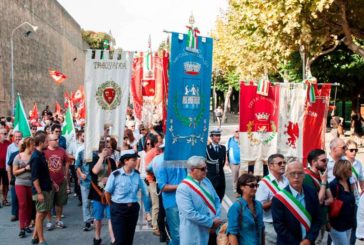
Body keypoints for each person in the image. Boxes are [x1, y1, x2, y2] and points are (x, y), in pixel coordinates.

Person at [104, 149, 151, 245]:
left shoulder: (137, 175)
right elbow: (107, 192)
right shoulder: (115, 175)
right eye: (133, 160)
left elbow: (145, 192)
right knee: (120, 240)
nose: (136, 162)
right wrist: (112, 205)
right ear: (126, 161)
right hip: (118, 209)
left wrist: (147, 211)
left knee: (129, 239)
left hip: (132, 209)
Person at [272, 160, 322, 245]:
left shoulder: (312, 192)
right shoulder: (279, 198)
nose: (296, 177)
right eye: (292, 173)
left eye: (300, 173)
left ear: (304, 176)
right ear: (286, 175)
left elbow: (317, 219)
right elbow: (279, 226)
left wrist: (309, 240)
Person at [176, 156, 222, 245]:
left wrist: (217, 218)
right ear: (193, 170)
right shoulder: (183, 188)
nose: (206, 171)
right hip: (196, 234)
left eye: (206, 168)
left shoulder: (206, 181)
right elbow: (190, 213)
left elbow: (216, 200)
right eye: (203, 169)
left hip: (213, 231)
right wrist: (211, 223)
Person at [157, 141, 187, 245]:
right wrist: (180, 186)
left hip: (185, 201)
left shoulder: (183, 163)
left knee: (186, 232)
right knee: (177, 233)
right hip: (172, 203)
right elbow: (163, 187)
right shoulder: (162, 166)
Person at [256, 153, 289, 245]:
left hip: (286, 223)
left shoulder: (286, 180)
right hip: (270, 224)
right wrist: (276, 200)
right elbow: (259, 206)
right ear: (271, 166)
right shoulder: (263, 184)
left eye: (284, 163)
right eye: (279, 163)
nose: (283, 165)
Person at [89, 140, 117, 245]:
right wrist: (101, 157)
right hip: (97, 193)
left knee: (111, 217)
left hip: (109, 193)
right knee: (98, 217)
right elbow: (95, 171)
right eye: (109, 147)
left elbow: (115, 176)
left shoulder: (112, 161)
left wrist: (108, 178)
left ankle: (113, 239)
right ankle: (97, 237)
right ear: (103, 148)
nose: (111, 149)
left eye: (111, 148)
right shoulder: (94, 158)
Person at [304, 149, 333, 244]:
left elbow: (331, 199)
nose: (326, 163)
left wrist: (321, 202)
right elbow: (319, 200)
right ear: (313, 162)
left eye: (327, 160)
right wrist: (324, 182)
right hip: (312, 222)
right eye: (323, 160)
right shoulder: (306, 177)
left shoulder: (322, 175)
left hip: (323, 221)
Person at [227, 173, 264, 244]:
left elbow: (262, 230)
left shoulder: (258, 205)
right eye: (252, 186)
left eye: (256, 185)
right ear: (242, 187)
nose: (255, 188)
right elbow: (232, 234)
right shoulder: (236, 207)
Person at [30, 131, 52, 245]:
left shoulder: (41, 154)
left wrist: (52, 182)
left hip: (46, 188)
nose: (48, 143)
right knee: (40, 214)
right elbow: (34, 178)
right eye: (47, 141)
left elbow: (44, 173)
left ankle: (35, 236)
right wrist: (39, 193)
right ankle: (41, 240)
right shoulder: (35, 157)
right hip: (40, 190)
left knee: (43, 213)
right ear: (41, 143)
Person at [44, 133, 69, 229]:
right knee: (49, 202)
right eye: (55, 139)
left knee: (60, 202)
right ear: (49, 141)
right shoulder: (45, 152)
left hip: (61, 180)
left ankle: (58, 220)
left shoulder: (62, 150)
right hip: (49, 182)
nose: (57, 141)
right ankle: (49, 221)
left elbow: (67, 161)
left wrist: (66, 173)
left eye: (57, 139)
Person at [329, 159, 356, 245]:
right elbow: (327, 206)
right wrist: (327, 223)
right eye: (349, 168)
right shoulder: (333, 185)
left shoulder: (348, 182)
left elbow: (354, 196)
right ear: (343, 170)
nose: (351, 170)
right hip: (337, 225)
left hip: (348, 223)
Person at [13, 137, 34, 238]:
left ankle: (27, 224)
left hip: (31, 183)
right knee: (23, 204)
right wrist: (25, 169)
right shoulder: (18, 157)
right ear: (28, 146)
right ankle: (21, 228)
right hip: (20, 182)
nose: (33, 147)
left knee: (30, 205)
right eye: (32, 145)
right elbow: (15, 172)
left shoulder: (33, 156)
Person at [345, 140, 364, 244]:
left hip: (355, 198)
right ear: (346, 151)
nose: (354, 152)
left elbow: (361, 179)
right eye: (351, 150)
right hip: (343, 197)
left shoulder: (358, 163)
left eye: (356, 150)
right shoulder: (341, 163)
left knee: (355, 224)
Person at [206, 129, 226, 202]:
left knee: (220, 196)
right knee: (211, 199)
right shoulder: (207, 149)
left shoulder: (223, 148)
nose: (218, 137)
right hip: (211, 178)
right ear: (211, 137)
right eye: (216, 135)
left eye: (219, 135)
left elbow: (222, 163)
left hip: (220, 178)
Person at [75, 148, 93, 232]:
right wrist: (81, 174)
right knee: (86, 202)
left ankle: (93, 217)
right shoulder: (81, 153)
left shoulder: (96, 153)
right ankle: (87, 222)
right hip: (85, 181)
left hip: (95, 181)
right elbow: (77, 165)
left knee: (93, 202)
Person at [6, 130, 22, 221]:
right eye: (16, 137)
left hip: (23, 176)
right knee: (14, 196)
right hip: (14, 176)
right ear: (13, 137)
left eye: (19, 137)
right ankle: (14, 214)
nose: (18, 139)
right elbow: (8, 165)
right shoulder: (10, 148)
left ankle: (23, 213)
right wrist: (9, 179)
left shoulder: (25, 147)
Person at [0, 127, 11, 206]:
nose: (6, 135)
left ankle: (5, 199)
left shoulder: (9, 143)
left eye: (6, 133)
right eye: (4, 133)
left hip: (6, 167)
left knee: (6, 184)